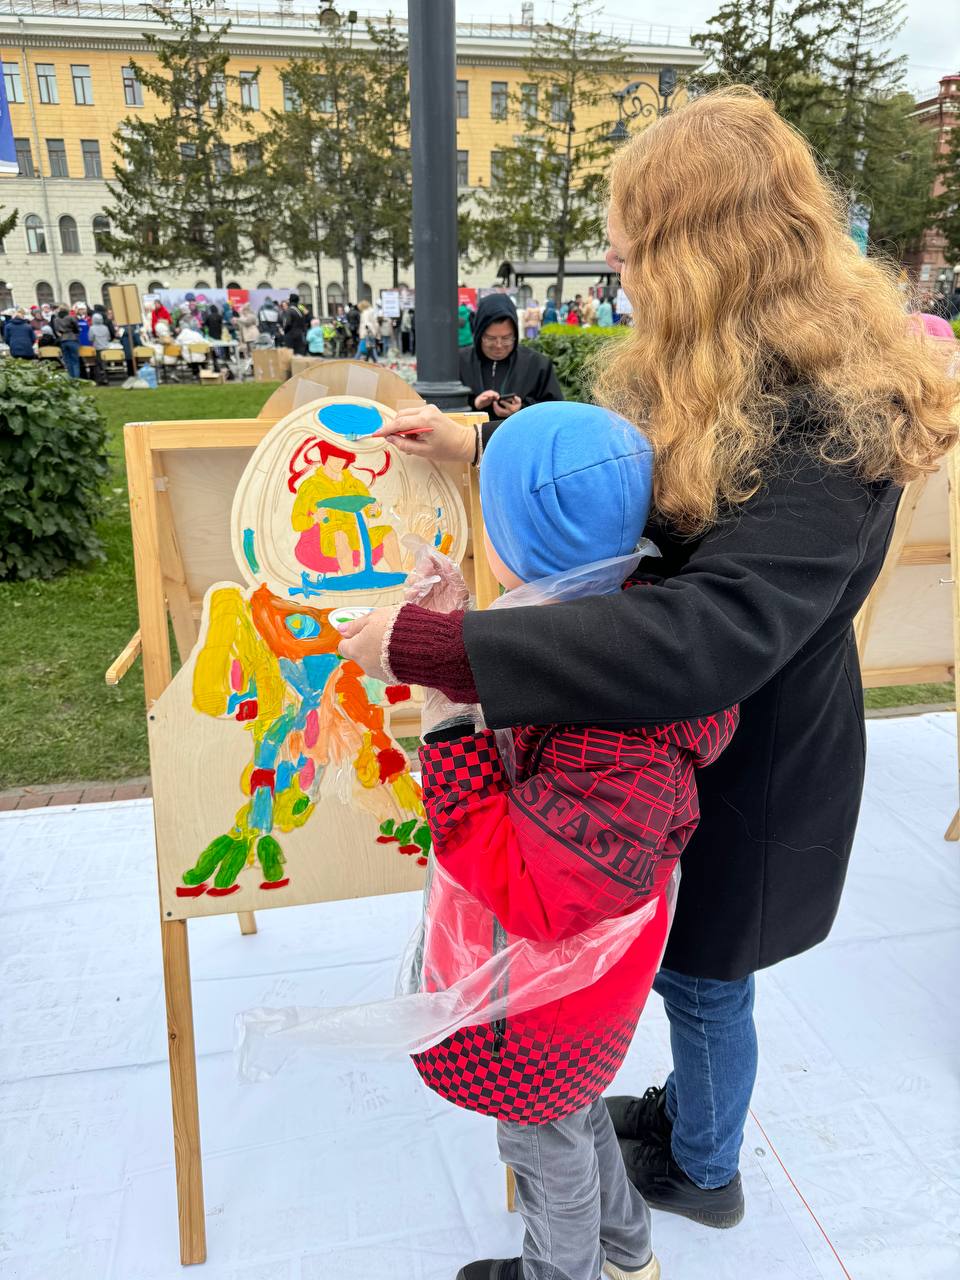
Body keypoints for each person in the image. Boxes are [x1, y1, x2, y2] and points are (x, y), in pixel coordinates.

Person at [337, 87, 958, 1233]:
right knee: (678, 961)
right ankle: (689, 1116)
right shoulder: (739, 365)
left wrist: (446, 645)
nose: (618, 273)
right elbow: (642, 486)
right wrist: (486, 445)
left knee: (709, 974)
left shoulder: (834, 419)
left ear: (704, 255)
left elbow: (706, 627)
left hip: (755, 762)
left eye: (632, 255)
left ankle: (705, 1164)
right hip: (679, 740)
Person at [388, 401, 736, 1280]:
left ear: (512, 543)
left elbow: (528, 887)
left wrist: (447, 720)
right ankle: (632, 1253)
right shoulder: (633, 642)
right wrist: (470, 644)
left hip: (542, 1007)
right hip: (585, 1001)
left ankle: (561, 1273)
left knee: (545, 1153)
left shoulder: (603, 728)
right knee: (571, 1118)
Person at [458, 292, 564, 423]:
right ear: (479, 335)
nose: (498, 345)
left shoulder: (537, 364)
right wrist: (474, 404)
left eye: (506, 338)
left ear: (515, 334)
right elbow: (444, 407)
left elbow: (555, 410)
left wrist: (521, 409)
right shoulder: (460, 362)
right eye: (490, 338)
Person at [52, 306, 81, 378]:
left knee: (68, 361)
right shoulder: (70, 317)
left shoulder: (56, 319)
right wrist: (76, 332)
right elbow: (76, 327)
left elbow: (56, 330)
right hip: (72, 338)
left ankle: (70, 378)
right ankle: (76, 378)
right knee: (75, 361)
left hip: (63, 339)